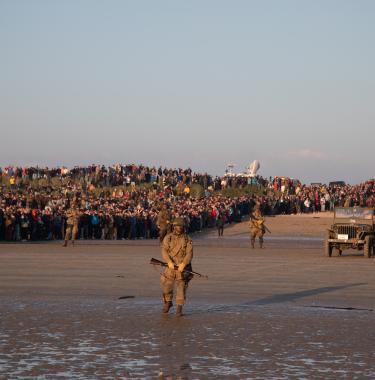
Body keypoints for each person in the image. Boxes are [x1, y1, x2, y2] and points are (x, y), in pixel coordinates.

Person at [160, 217, 193, 317]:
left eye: (181, 226)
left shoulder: (187, 238)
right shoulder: (168, 237)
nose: (179, 227)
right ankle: (168, 302)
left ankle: (179, 308)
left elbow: (190, 253)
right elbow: (164, 250)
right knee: (166, 287)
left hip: (182, 267)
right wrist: (169, 262)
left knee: (181, 288)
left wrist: (184, 264)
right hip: (170, 267)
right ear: (174, 226)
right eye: (177, 226)